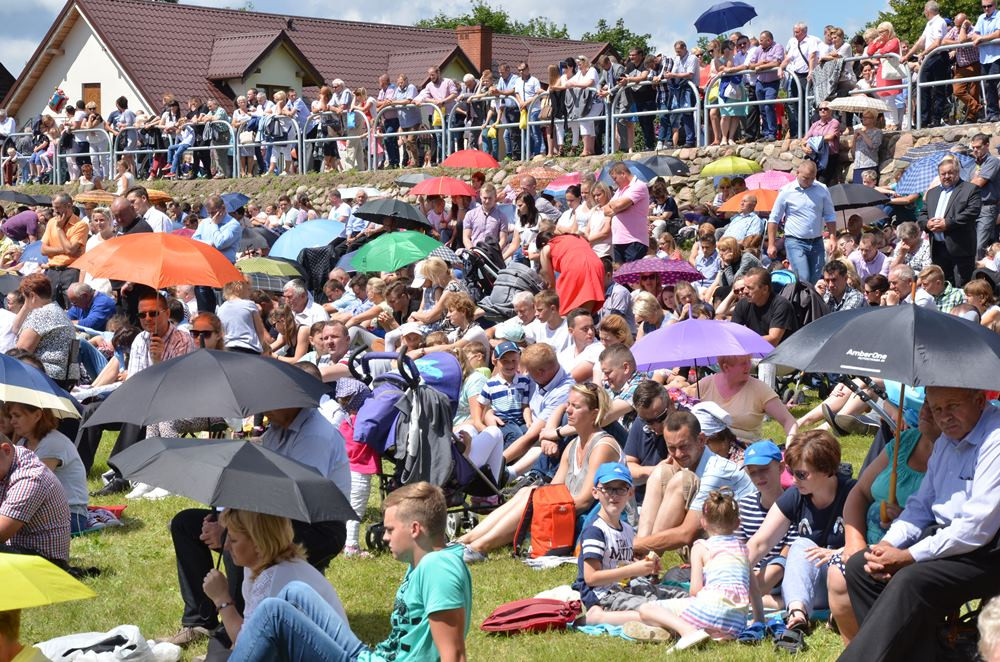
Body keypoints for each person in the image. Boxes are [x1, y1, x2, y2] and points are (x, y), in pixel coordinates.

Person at [166, 399, 349, 646]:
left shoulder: (315, 437)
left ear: (292, 403)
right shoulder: (276, 431)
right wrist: (223, 515)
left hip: (318, 526)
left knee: (240, 542)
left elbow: (294, 498)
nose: (262, 414)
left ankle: (236, 623)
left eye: (269, 407)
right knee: (185, 523)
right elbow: (261, 487)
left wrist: (229, 528)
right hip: (274, 515)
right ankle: (200, 620)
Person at [840, 387, 1000, 661]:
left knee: (909, 580)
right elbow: (920, 505)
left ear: (978, 400)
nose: (943, 417)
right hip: (950, 538)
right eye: (936, 409)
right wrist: (887, 545)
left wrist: (908, 556)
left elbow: (977, 528)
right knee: (862, 567)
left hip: (990, 549)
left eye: (952, 406)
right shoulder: (948, 439)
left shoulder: (995, 439)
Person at [228, 482, 471, 662]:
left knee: (274, 612)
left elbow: (454, 654)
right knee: (296, 591)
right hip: (370, 657)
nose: (384, 538)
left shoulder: (438, 568)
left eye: (389, 529)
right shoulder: (422, 564)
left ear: (415, 528)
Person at [458, 382, 624, 561]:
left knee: (533, 497)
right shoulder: (572, 445)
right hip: (571, 509)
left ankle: (479, 547)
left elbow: (585, 501)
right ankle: (465, 541)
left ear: (594, 414)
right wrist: (542, 502)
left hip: (592, 515)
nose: (568, 410)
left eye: (575, 407)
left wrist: (544, 508)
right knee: (528, 492)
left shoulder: (603, 447)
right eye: (568, 404)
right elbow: (553, 490)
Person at [829, 403, 938, 644]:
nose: (924, 410)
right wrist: (853, 541)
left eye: (935, 406)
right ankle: (856, 649)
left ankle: (879, 648)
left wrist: (904, 517)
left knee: (860, 573)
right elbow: (859, 493)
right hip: (868, 543)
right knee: (838, 573)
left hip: (911, 551)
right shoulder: (904, 442)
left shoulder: (951, 455)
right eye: (925, 402)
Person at [746, 430, 856, 653]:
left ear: (826, 469)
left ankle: (833, 610)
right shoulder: (796, 496)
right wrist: (731, 571)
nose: (793, 480)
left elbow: (871, 544)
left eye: (801, 474)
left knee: (806, 547)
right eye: (790, 472)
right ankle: (797, 617)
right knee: (802, 544)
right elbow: (759, 543)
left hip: (847, 578)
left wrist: (835, 553)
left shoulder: (853, 493)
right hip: (811, 584)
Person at [200, 508, 347, 648]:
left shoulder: (276, 577)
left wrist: (221, 599)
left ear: (257, 542)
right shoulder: (258, 566)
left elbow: (246, 645)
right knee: (218, 649)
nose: (226, 546)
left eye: (233, 540)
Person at [629, 489, 757, 646]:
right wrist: (759, 621)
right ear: (738, 523)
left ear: (703, 522)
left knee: (646, 609)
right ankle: (715, 635)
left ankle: (687, 632)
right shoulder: (743, 549)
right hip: (736, 623)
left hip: (708, 610)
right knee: (687, 613)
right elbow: (754, 591)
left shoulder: (701, 547)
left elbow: (695, 590)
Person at [633, 411, 756, 556]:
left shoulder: (716, 471)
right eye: (672, 448)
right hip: (713, 540)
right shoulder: (693, 462)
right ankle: (640, 562)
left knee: (682, 480)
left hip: (737, 551)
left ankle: (645, 563)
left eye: (683, 446)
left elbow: (686, 534)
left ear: (701, 440)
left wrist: (633, 544)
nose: (678, 454)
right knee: (661, 472)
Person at [574, 463, 660, 625]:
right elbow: (591, 578)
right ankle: (597, 618)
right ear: (596, 492)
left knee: (676, 596)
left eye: (621, 489)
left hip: (624, 589)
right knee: (656, 609)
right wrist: (633, 569)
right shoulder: (595, 531)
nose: (614, 495)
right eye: (608, 488)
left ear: (630, 493)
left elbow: (622, 570)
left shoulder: (627, 529)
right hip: (602, 595)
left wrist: (646, 569)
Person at [8, 403, 87, 534]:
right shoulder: (23, 443)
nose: (12, 421)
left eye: (17, 415)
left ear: (37, 415)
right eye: (11, 416)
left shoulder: (52, 443)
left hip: (71, 515)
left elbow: (32, 488)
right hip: (40, 510)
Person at [687, 354, 797, 443]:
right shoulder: (705, 385)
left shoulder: (759, 389)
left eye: (749, 361)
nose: (748, 366)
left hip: (748, 454)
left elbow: (788, 420)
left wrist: (791, 443)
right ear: (726, 367)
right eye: (743, 363)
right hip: (709, 450)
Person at [0, 439, 70, 565]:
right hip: (18, 550)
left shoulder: (30, 478)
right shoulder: (10, 459)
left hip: (44, 563)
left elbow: (1, 533)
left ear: (6, 450)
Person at [767, 161, 836, 285]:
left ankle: (805, 302)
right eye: (805, 178)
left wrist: (832, 238)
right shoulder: (786, 191)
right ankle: (802, 303)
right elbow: (774, 218)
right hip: (795, 241)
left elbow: (830, 215)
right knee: (803, 277)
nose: (808, 181)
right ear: (797, 173)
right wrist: (771, 244)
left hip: (817, 241)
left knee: (815, 277)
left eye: (812, 178)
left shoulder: (822, 189)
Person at [917, 156, 981, 286]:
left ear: (957, 172)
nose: (946, 176)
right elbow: (922, 215)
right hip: (938, 249)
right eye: (943, 174)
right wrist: (927, 224)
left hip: (960, 249)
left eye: (950, 173)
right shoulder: (932, 193)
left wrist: (948, 223)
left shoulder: (970, 189)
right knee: (941, 287)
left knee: (961, 287)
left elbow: (972, 212)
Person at [14, 274, 80, 388]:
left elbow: (21, 351)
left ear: (33, 295)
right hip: (65, 377)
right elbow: (15, 329)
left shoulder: (42, 314)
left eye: (25, 298)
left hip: (46, 377)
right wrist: (27, 304)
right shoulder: (58, 311)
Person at [474, 341, 532, 450]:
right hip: (503, 421)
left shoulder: (524, 381)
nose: (510, 365)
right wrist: (478, 422)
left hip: (519, 420)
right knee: (515, 435)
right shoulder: (491, 384)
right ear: (495, 362)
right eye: (505, 361)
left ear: (519, 360)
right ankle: (501, 460)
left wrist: (529, 421)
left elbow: (525, 406)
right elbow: (480, 404)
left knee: (528, 434)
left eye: (513, 361)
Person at [536, 230, 605, 315]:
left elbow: (551, 284)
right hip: (596, 265)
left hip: (575, 267)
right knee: (585, 315)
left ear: (542, 245)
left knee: (563, 313)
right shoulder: (576, 237)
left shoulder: (546, 248)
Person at [41, 193, 87, 309]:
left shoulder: (80, 225)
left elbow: (71, 250)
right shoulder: (51, 222)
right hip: (52, 271)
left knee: (73, 306)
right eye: (53, 207)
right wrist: (65, 249)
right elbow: (43, 250)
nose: (54, 211)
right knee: (50, 307)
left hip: (70, 270)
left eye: (57, 208)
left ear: (68, 206)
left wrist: (60, 229)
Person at [604, 162, 651, 264]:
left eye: (615, 178)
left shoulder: (639, 186)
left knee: (632, 277)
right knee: (620, 277)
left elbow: (617, 205)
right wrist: (620, 206)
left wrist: (617, 207)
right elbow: (606, 210)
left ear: (623, 174)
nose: (614, 182)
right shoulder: (620, 190)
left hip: (634, 241)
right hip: (619, 240)